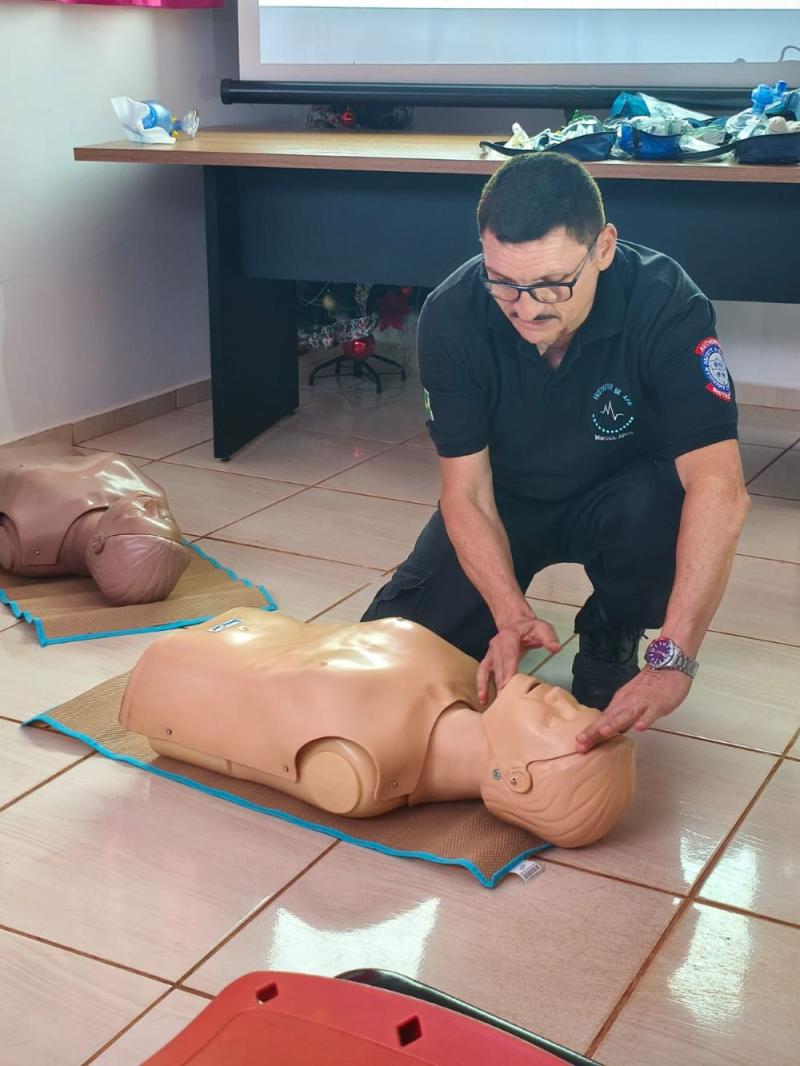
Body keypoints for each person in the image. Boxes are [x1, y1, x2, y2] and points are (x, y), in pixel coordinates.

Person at [362, 152, 749, 752]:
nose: (527, 307)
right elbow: (466, 492)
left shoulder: (665, 301)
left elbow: (718, 487)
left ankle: (610, 625)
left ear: (603, 248)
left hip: (626, 497)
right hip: (508, 500)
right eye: (503, 282)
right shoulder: (452, 313)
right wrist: (509, 612)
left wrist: (675, 657)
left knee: (666, 512)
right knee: (392, 655)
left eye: (551, 283)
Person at [120, 609, 635, 848]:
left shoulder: (370, 772)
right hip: (253, 630)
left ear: (516, 778)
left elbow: (257, 736)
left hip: (192, 667)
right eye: (575, 704)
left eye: (555, 718)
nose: (558, 696)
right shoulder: (471, 681)